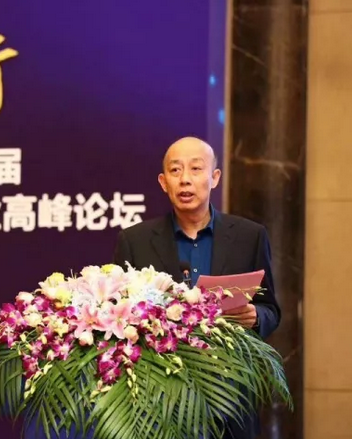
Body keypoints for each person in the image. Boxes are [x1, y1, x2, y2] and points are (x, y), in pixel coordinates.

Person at [113, 136, 281, 439]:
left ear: (214, 177)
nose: (185, 180)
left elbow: (271, 309)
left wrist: (256, 316)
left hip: (229, 397)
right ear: (163, 183)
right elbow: (118, 316)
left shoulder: (249, 236)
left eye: (196, 169)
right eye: (175, 171)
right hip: (158, 402)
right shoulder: (135, 241)